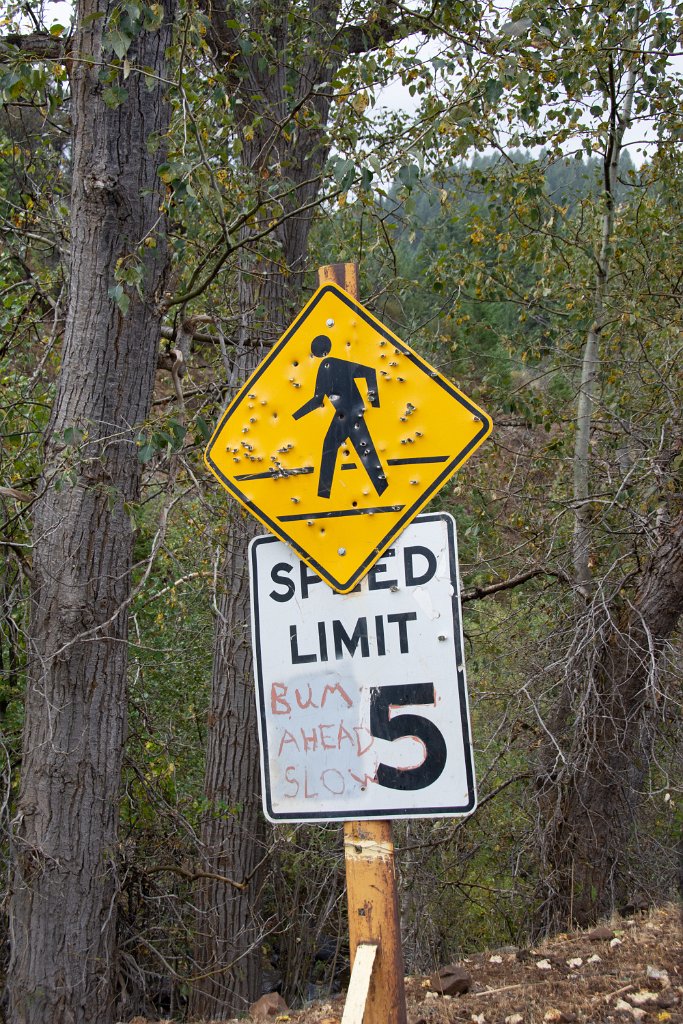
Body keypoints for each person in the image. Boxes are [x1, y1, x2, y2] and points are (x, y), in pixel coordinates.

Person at [293, 334, 388, 499]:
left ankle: (323, 495)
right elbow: (318, 401)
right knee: (365, 452)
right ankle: (383, 489)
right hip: (347, 413)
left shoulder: (333, 364)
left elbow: (369, 372)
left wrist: (376, 402)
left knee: (332, 446)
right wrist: (295, 416)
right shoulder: (326, 366)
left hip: (350, 413)